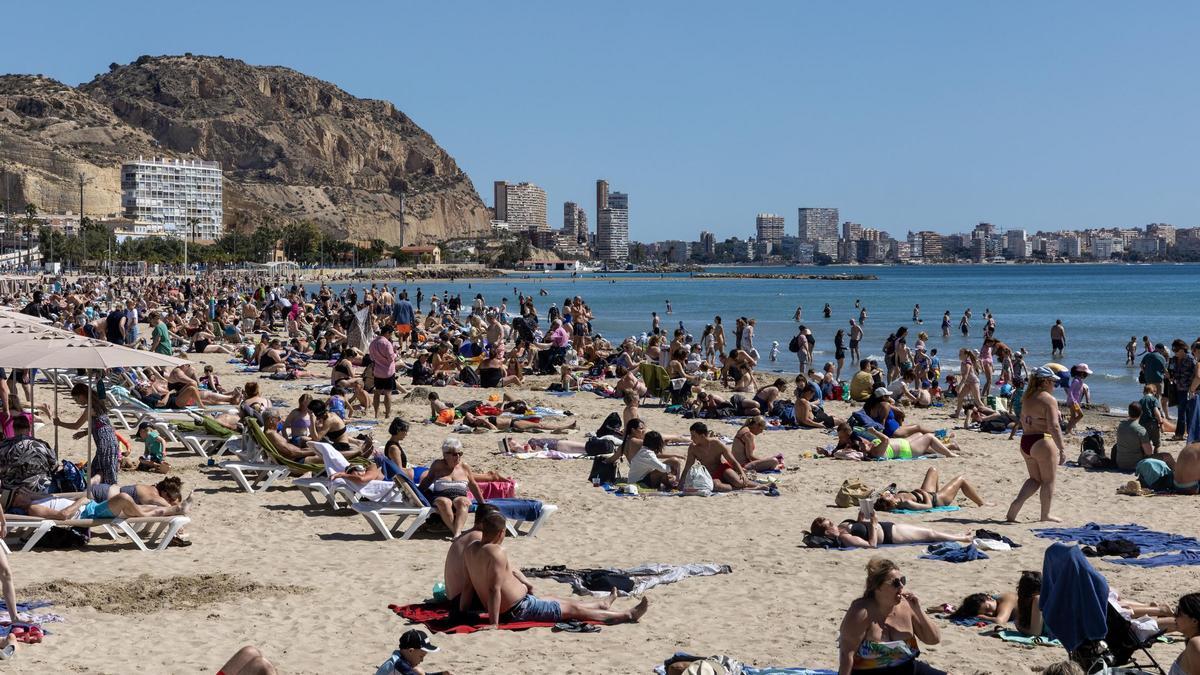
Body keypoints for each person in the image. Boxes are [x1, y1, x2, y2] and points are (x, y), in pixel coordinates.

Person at [459, 510, 649, 628]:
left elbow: (468, 585)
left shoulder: (470, 549)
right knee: (572, 609)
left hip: (520, 604)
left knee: (555, 599)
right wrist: (494, 623)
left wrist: (461, 613)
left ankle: (601, 605)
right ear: (501, 533)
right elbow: (494, 589)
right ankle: (627, 615)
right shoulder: (496, 552)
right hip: (518, 610)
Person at [836, 558, 946, 674]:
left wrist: (918, 610)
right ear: (877, 587)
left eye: (903, 580)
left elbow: (934, 640)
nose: (901, 586)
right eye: (895, 583)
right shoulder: (861, 612)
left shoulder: (907, 606)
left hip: (907, 667)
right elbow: (846, 655)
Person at [1006, 366, 1065, 523]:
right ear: (1045, 382)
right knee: (1048, 481)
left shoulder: (1027, 397)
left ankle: (1015, 506)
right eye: (1053, 382)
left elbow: (1026, 418)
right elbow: (1054, 426)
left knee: (1034, 479)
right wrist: (1062, 448)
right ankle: (1045, 515)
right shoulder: (1048, 399)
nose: (1054, 386)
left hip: (1026, 441)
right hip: (1042, 441)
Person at [418, 437, 486, 538]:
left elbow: (473, 485)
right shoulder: (438, 465)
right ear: (445, 454)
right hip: (440, 497)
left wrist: (483, 504)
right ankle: (456, 533)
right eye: (454, 454)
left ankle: (457, 533)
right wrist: (416, 494)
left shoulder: (464, 467)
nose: (458, 456)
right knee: (445, 502)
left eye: (460, 453)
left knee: (463, 501)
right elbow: (427, 480)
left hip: (459, 497)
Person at [680, 422, 768, 492]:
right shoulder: (693, 448)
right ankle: (748, 489)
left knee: (738, 482)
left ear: (702, 436)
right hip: (711, 474)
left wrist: (742, 473)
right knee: (716, 486)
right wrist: (681, 483)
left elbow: (733, 461)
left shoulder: (716, 444)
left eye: (693, 436)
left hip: (722, 469)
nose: (691, 438)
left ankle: (763, 486)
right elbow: (687, 467)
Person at [873, 467, 993, 512]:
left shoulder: (895, 499)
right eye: (887, 496)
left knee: (933, 470)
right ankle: (981, 503)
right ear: (891, 503)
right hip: (936, 500)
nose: (886, 494)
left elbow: (885, 495)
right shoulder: (906, 502)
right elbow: (928, 507)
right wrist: (924, 493)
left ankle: (940, 492)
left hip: (928, 493)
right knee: (961, 479)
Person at [374, 628, 453, 675]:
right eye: (421, 656)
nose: (422, 660)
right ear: (411, 651)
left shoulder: (402, 659)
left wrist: (442, 674)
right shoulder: (399, 664)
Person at [369, 323, 398, 419]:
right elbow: (391, 358)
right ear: (387, 333)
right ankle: (387, 414)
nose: (391, 336)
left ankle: (376, 414)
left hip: (377, 371)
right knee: (388, 393)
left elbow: (371, 357)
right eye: (391, 334)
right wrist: (396, 353)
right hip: (388, 372)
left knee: (377, 393)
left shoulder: (373, 342)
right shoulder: (387, 343)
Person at [1173, 592, 1200, 675]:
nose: (1174, 615)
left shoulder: (1196, 643)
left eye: (1179, 612)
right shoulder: (1192, 640)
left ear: (1194, 621)